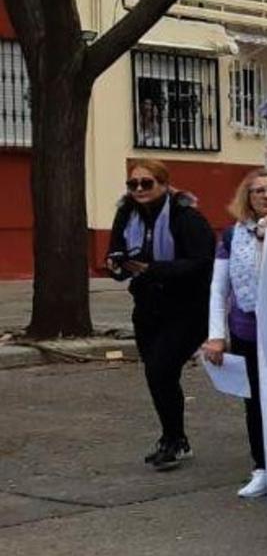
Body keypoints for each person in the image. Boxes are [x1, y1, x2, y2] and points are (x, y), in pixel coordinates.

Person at [107, 160, 217, 470]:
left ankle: (174, 440)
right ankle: (174, 438)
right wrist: (116, 263)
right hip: (147, 306)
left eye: (147, 183)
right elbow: (116, 250)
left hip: (187, 308)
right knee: (158, 376)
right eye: (133, 184)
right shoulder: (126, 213)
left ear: (165, 185)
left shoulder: (187, 217)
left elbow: (202, 261)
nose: (139, 189)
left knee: (160, 369)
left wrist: (155, 269)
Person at [200, 170, 267, 499]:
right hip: (247, 331)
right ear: (248, 197)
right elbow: (219, 288)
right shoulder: (231, 236)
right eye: (259, 191)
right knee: (254, 400)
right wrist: (216, 335)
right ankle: (262, 467)